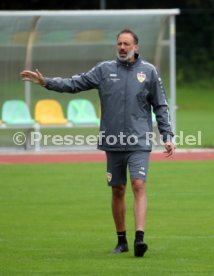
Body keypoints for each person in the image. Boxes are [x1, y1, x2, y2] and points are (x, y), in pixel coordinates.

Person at [20, 29, 175, 257]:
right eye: (119, 43)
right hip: (112, 141)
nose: (122, 47)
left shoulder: (149, 72)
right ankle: (121, 241)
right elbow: (74, 84)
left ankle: (139, 239)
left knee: (138, 184)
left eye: (126, 44)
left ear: (136, 47)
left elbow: (161, 106)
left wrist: (167, 135)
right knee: (118, 189)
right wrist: (46, 82)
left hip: (139, 140)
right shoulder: (104, 70)